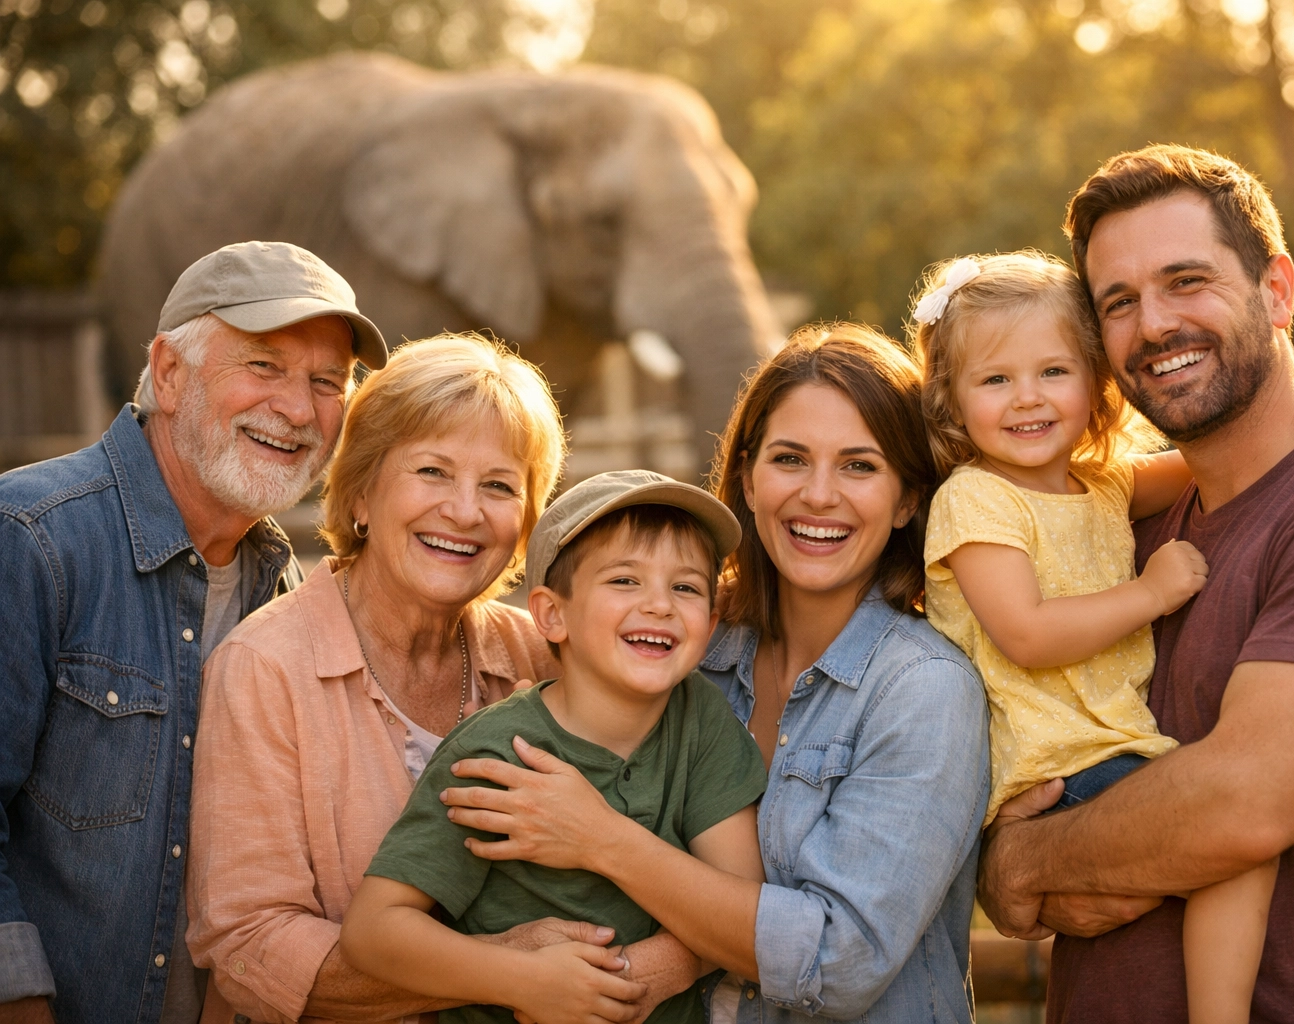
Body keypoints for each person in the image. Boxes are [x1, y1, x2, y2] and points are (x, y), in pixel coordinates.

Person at [976, 144, 1294, 1023]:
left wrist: (1018, 864)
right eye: (1119, 303)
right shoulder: (1121, 528)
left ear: (1277, 290)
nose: (1153, 326)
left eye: (1187, 281)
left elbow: (1244, 804)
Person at [437, 326, 991, 1022]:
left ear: (908, 498)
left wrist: (603, 839)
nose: (819, 494)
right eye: (790, 459)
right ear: (748, 480)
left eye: (859, 466)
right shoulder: (688, 649)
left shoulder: (924, 689)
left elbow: (837, 959)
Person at [910, 250, 1294, 1023]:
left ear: (1097, 381)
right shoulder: (976, 500)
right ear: (951, 399)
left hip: (1110, 749)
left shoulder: (1103, 481)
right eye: (995, 380)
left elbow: (1226, 458)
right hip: (1049, 768)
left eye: (1054, 372)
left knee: (1230, 850)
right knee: (1231, 848)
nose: (1027, 398)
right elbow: (1027, 634)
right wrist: (1148, 594)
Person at [185, 334, 667, 1024]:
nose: (465, 511)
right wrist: (506, 972)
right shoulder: (263, 667)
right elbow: (251, 949)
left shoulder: (544, 654)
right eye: (433, 472)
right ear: (360, 492)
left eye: (498, 486)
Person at [0, 241, 385, 1024]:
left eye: (326, 382)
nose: (298, 410)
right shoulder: (31, 538)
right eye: (265, 366)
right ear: (170, 373)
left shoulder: (281, 587)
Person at [342, 471, 767, 1024]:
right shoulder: (498, 752)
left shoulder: (701, 719)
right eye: (624, 580)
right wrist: (525, 980)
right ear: (551, 614)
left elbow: (748, 923)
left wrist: (663, 962)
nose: (660, 605)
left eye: (685, 587)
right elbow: (374, 932)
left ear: (709, 625)